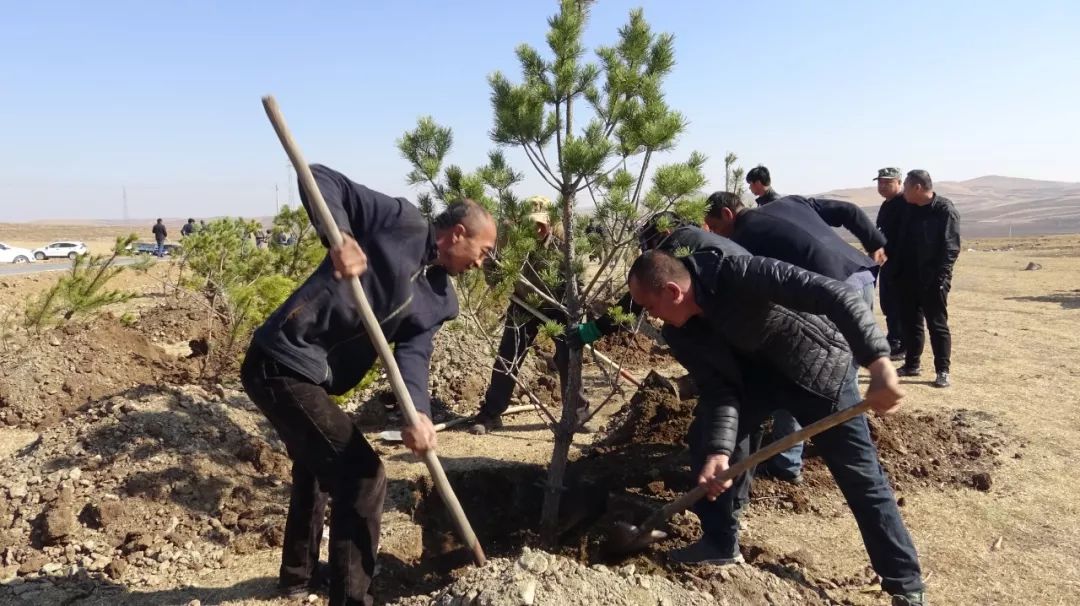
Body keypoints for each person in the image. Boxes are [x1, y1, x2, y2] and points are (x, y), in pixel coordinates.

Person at [240, 164, 496, 606]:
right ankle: (352, 597)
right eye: (484, 249)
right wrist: (339, 236)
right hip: (281, 358)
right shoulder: (400, 221)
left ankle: (296, 577)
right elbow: (319, 178)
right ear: (457, 233)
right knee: (363, 473)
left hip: (313, 378)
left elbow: (414, 356)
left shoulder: (440, 298)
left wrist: (418, 413)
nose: (482, 261)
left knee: (318, 465)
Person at [627, 248, 925, 606]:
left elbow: (836, 294)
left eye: (650, 307)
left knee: (859, 475)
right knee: (707, 439)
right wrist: (720, 453)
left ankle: (904, 582)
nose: (650, 317)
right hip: (756, 384)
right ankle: (720, 541)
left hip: (816, 369)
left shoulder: (736, 272)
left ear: (673, 292)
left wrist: (878, 363)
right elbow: (721, 389)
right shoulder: (680, 333)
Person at [701, 191, 885, 483]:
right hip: (860, 279)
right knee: (839, 378)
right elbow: (848, 209)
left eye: (716, 227)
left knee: (799, 374)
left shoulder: (743, 239)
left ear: (727, 214)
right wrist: (876, 243)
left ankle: (790, 464)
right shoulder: (791, 201)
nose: (718, 235)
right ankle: (839, 445)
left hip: (832, 294)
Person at [470, 196, 578, 435]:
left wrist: (573, 311)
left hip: (557, 306)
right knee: (508, 356)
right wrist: (497, 279)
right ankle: (491, 414)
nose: (537, 229)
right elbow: (491, 258)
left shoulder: (563, 240)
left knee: (568, 357)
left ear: (550, 222)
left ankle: (577, 412)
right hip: (523, 304)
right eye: (531, 223)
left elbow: (576, 278)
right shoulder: (511, 236)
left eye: (541, 223)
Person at [890, 170, 960, 388]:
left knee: (937, 324)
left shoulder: (944, 210)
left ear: (917, 188)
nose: (903, 193)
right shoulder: (909, 209)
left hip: (933, 279)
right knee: (910, 324)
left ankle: (943, 371)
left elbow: (950, 247)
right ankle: (912, 364)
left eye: (906, 187)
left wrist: (941, 277)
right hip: (908, 277)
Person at [874, 168, 907, 360]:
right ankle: (893, 338)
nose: (882, 186)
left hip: (901, 264)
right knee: (888, 303)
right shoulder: (886, 205)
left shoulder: (905, 205)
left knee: (899, 304)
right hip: (886, 263)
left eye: (888, 182)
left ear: (899, 183)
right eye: (880, 182)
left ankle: (902, 343)